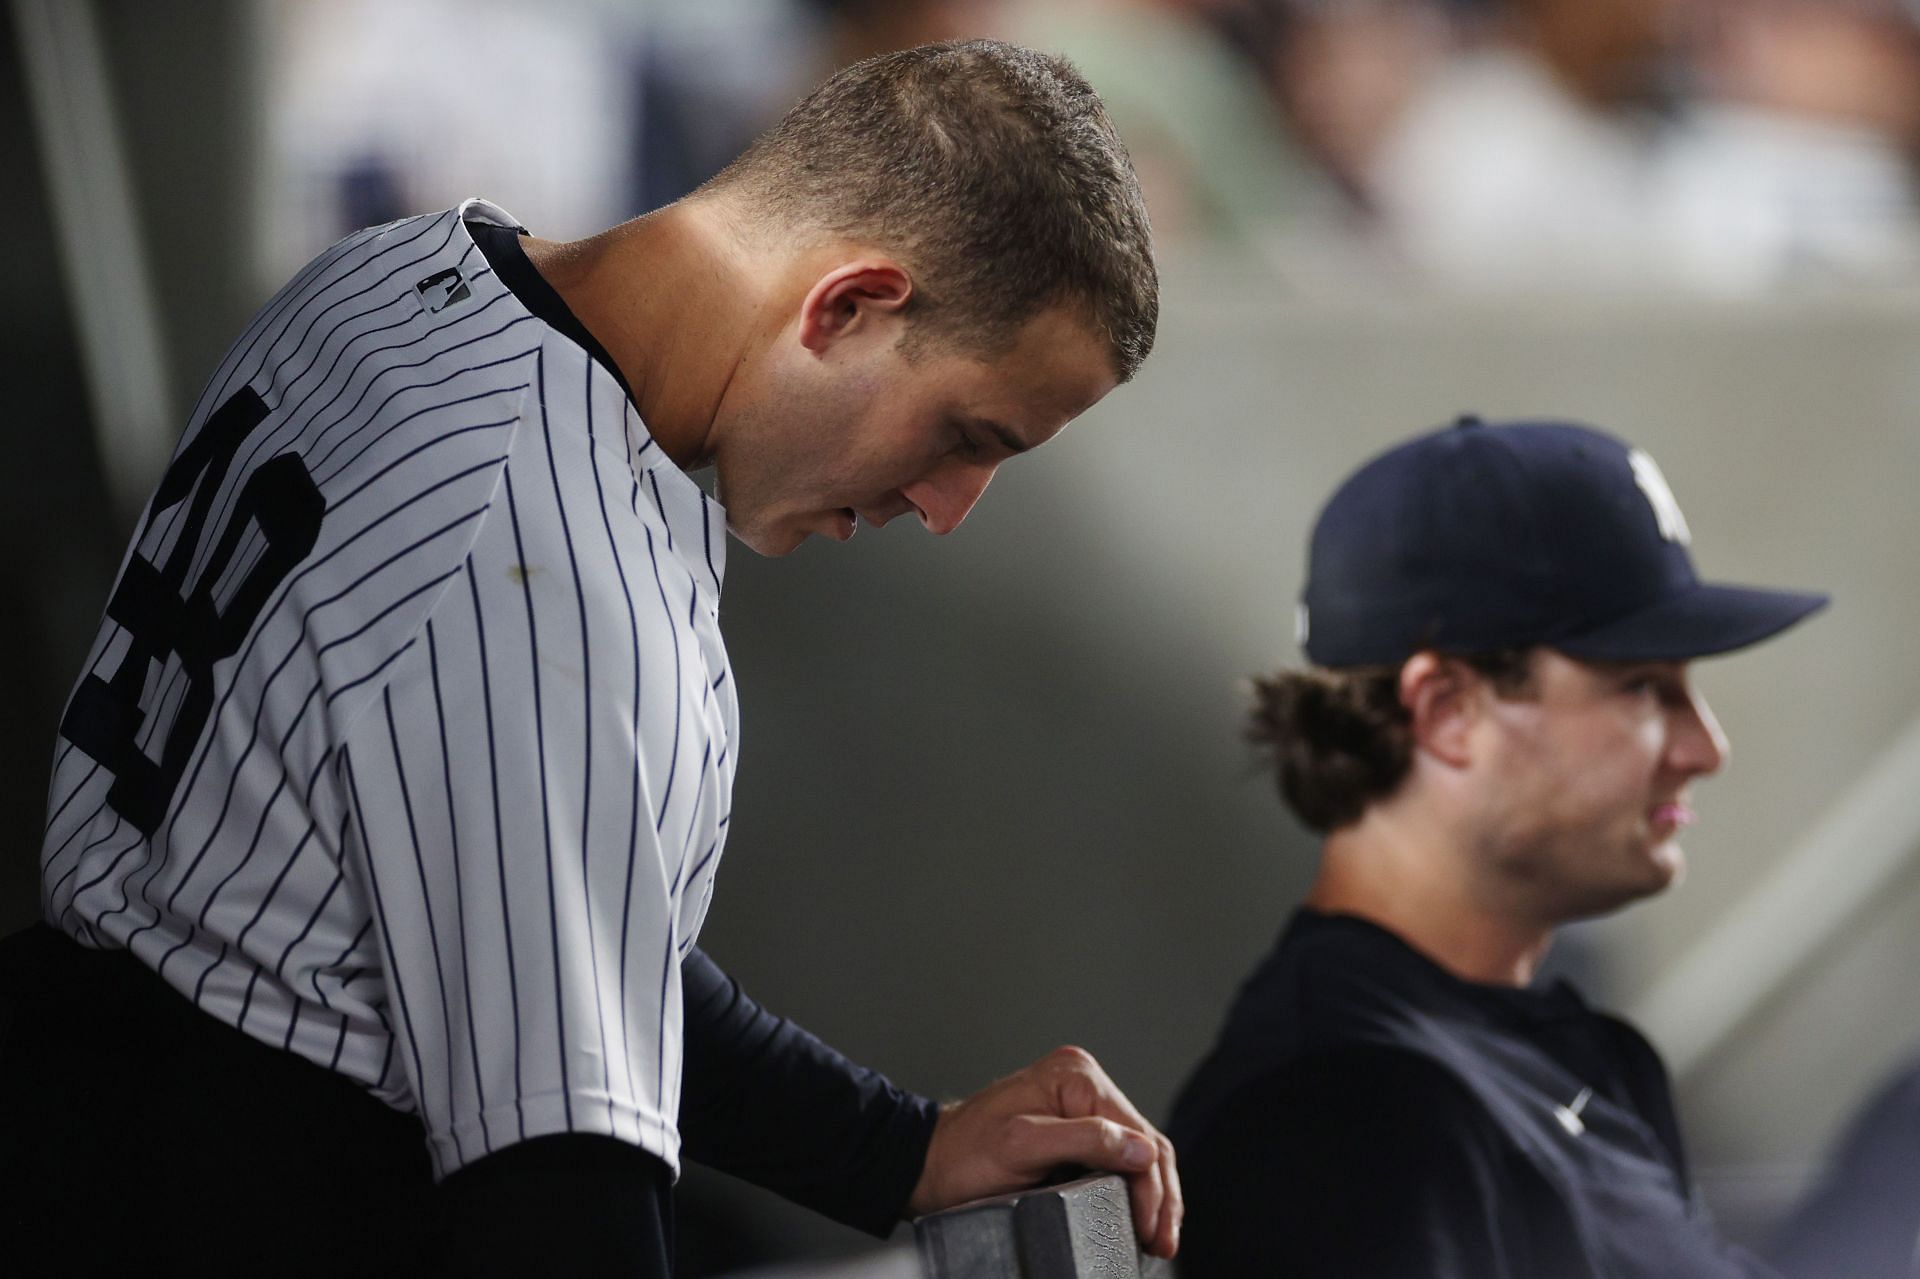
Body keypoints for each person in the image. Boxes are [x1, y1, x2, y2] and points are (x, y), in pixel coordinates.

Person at [1, 40, 1180, 1274]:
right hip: (224, 1202)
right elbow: (558, 1212)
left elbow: (556, 927)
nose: (949, 505)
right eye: (967, 433)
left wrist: (899, 1147)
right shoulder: (548, 571)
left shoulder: (397, 274)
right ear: (846, 305)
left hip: (89, 1095)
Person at [1169, 416, 1826, 1276]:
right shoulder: (1342, 1112)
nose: (1705, 747)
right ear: (1446, 709)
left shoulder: (1574, 1056)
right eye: (1642, 687)